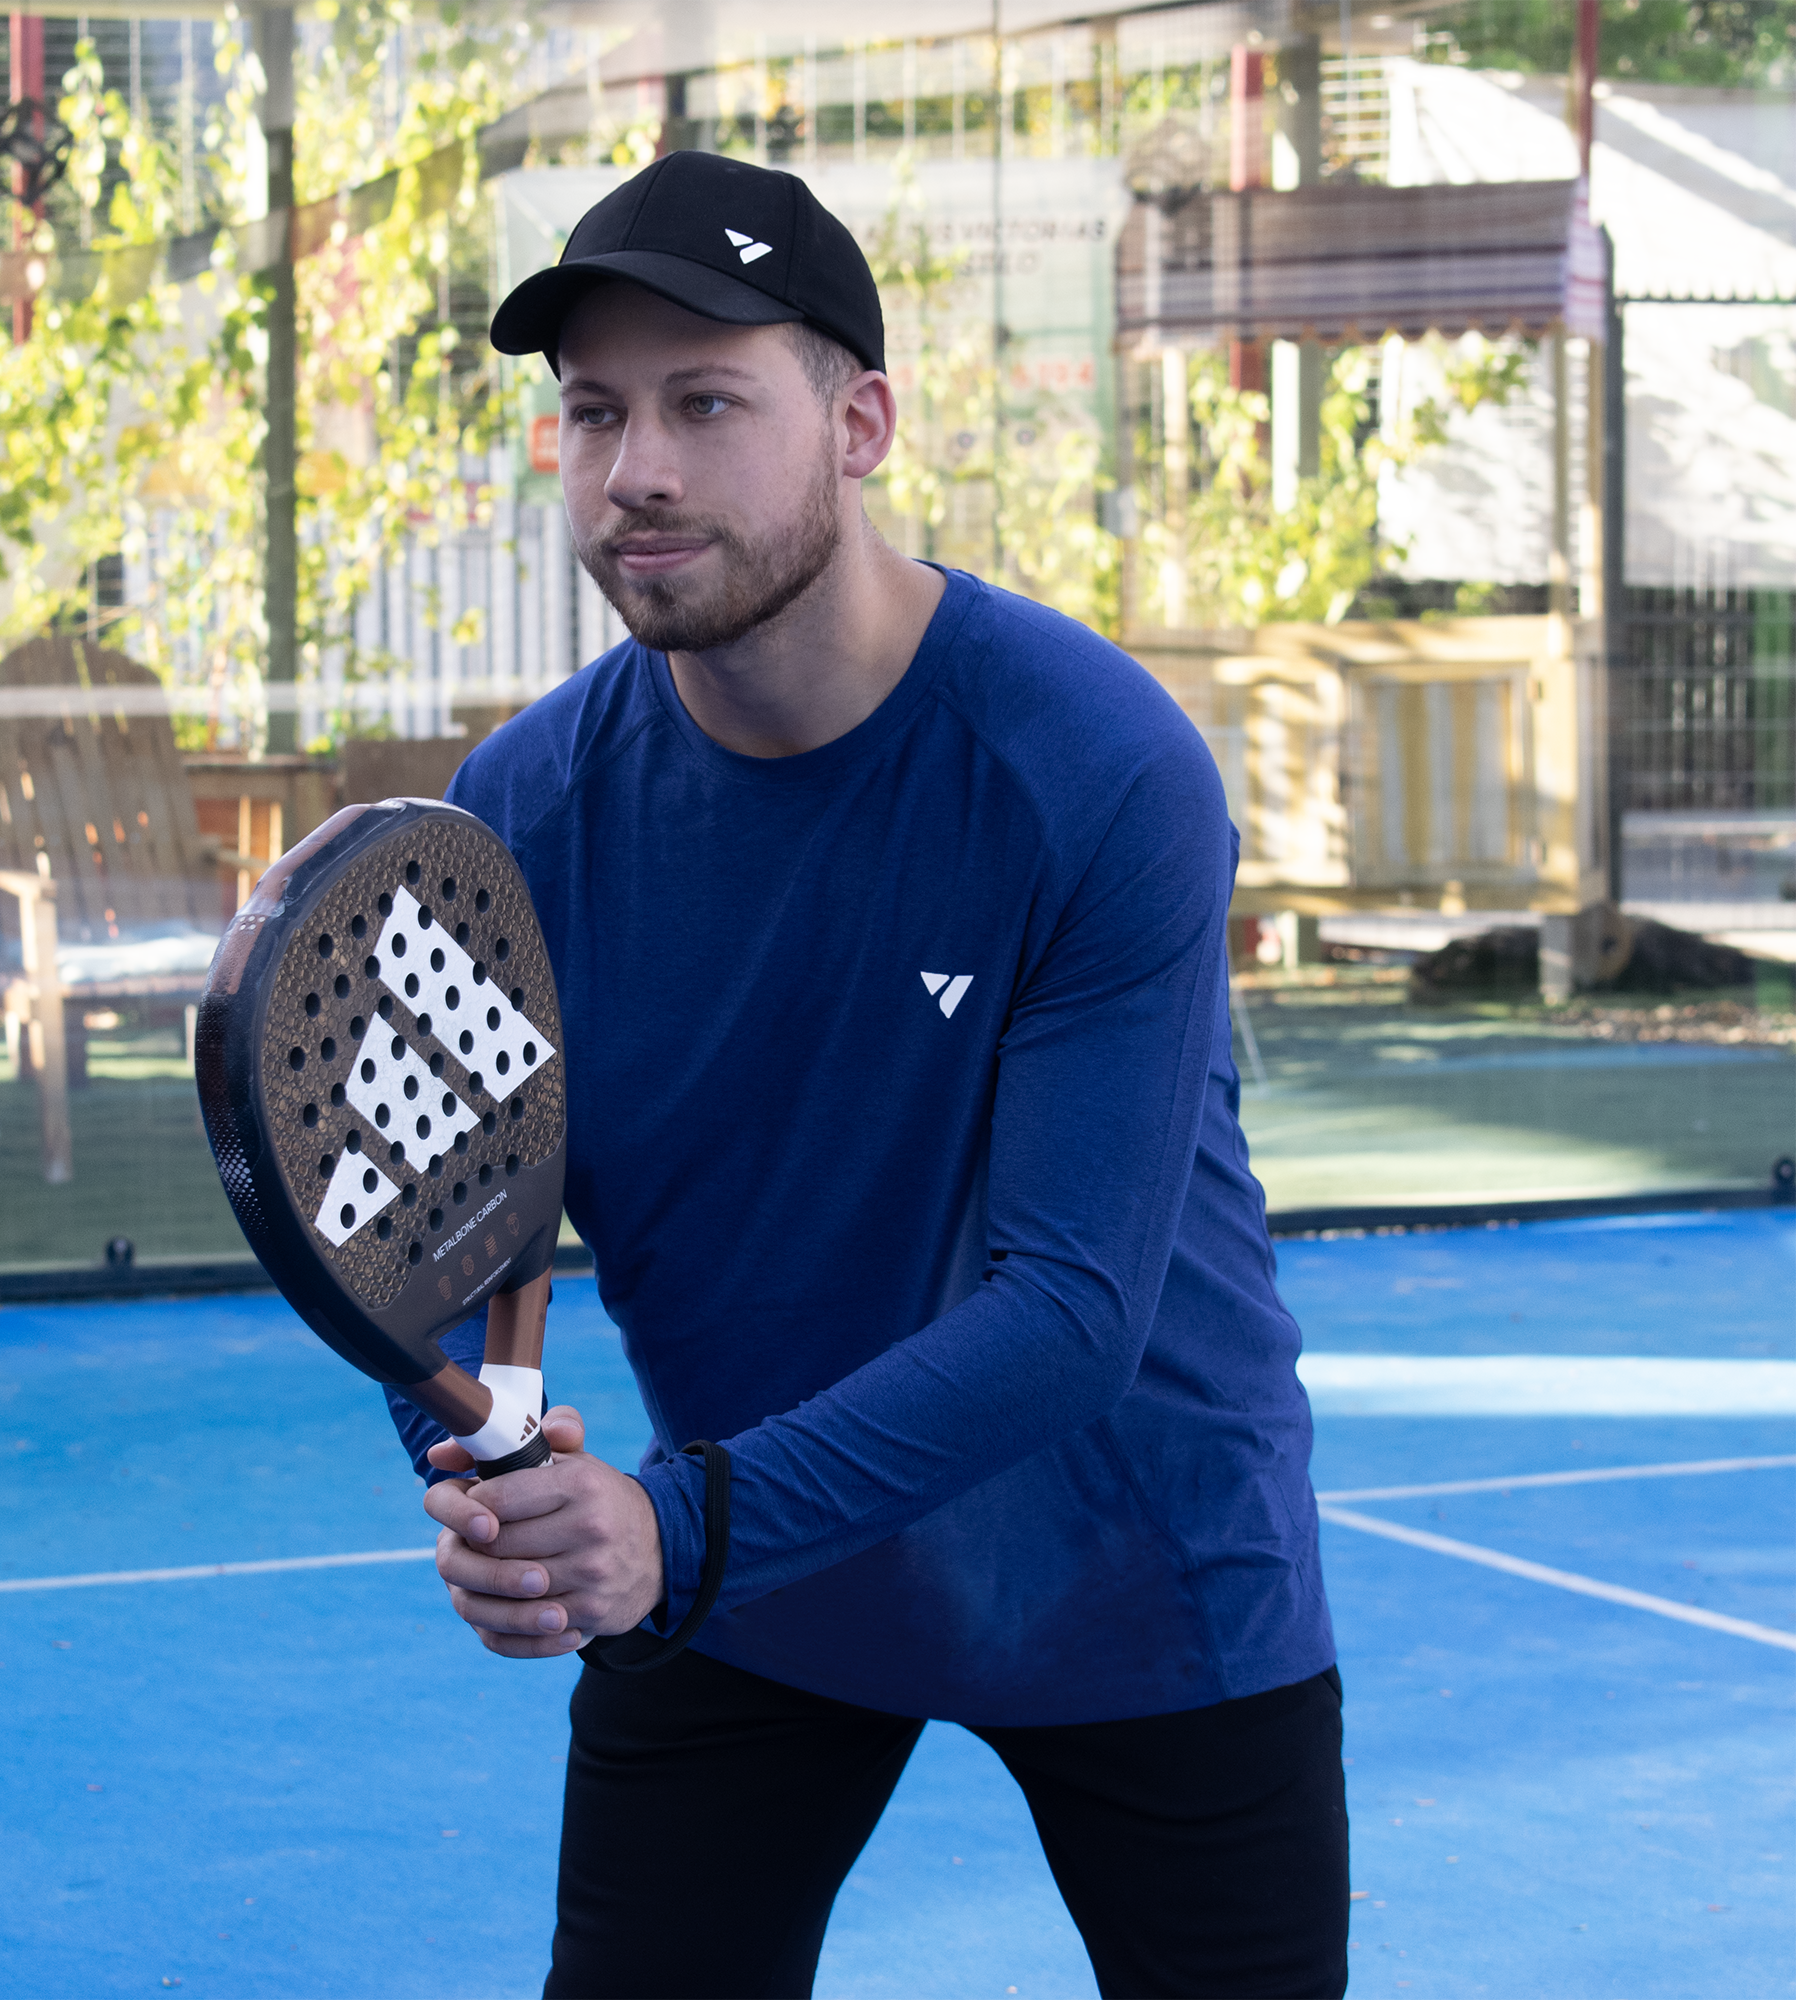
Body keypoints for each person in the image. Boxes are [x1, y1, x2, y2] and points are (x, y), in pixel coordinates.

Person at [383, 149, 1347, 2000]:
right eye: (593, 411)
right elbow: (447, 1238)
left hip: (1141, 1568)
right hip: (753, 1584)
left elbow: (1070, 1310)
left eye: (706, 401)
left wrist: (668, 1522)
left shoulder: (1094, 767)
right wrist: (488, 1473)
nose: (636, 468)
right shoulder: (519, 817)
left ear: (861, 422)